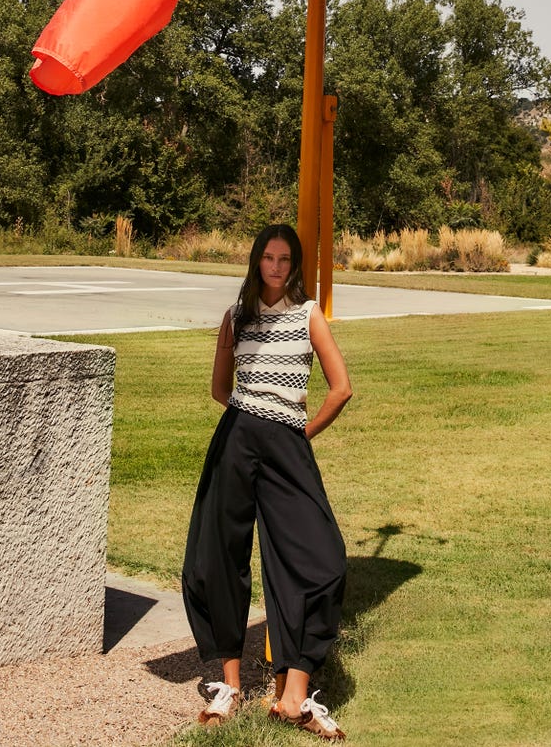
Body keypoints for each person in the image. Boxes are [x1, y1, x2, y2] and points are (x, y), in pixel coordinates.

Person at [182, 223, 353, 739]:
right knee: (219, 555)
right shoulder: (235, 318)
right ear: (256, 262)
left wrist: (303, 431)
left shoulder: (308, 316)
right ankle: (229, 685)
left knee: (323, 560)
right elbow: (219, 390)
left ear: (295, 267)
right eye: (269, 258)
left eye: (286, 260)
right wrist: (230, 364)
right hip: (235, 438)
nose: (277, 268)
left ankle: (294, 694)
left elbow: (341, 388)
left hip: (286, 442)